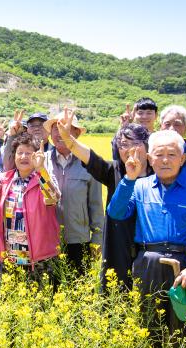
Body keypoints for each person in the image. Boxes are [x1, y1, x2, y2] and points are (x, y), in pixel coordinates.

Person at [107, 129, 186, 334]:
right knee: (148, 327)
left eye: (172, 154)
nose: (165, 160)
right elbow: (116, 212)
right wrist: (128, 179)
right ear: (149, 159)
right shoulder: (139, 186)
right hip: (148, 263)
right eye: (159, 154)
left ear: (183, 158)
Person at [52, 108, 152, 292]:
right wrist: (69, 140)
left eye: (134, 143)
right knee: (117, 296)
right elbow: (88, 157)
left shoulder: (158, 174)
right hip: (118, 246)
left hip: (150, 248)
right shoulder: (113, 170)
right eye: (122, 144)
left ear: (147, 146)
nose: (127, 148)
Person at [0, 133, 60, 287]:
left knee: (41, 307)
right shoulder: (4, 179)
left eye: (29, 153)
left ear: (37, 156)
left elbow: (53, 197)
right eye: (20, 153)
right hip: (10, 258)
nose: (24, 157)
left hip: (39, 258)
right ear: (14, 156)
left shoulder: (44, 178)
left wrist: (41, 170)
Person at [42, 113, 104, 282]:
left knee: (78, 291)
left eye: (66, 128)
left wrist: (97, 241)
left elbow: (96, 205)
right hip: (47, 241)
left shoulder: (88, 162)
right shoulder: (41, 161)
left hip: (79, 240)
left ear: (76, 134)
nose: (59, 133)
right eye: (55, 128)